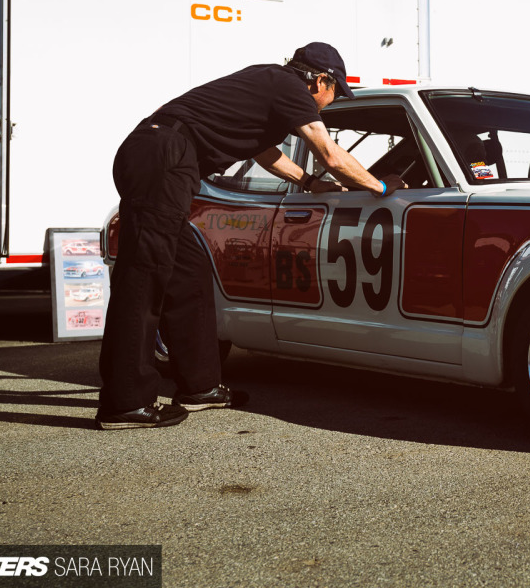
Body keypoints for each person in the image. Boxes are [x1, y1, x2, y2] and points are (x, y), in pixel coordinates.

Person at [96, 42, 406, 430]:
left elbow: (264, 152)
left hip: (164, 155)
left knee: (188, 274)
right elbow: (330, 154)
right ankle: (124, 403)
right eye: (333, 93)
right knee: (144, 276)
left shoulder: (270, 85)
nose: (328, 103)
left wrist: (308, 182)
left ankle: (200, 386)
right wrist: (379, 186)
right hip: (163, 155)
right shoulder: (290, 88)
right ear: (320, 80)